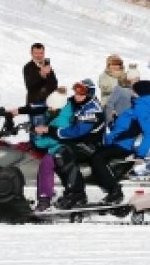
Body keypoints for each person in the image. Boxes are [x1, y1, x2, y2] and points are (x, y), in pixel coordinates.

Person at [46, 79, 107, 208]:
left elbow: (77, 132)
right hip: (78, 142)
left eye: (81, 93)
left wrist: (52, 130)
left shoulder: (93, 109)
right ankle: (69, 189)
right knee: (57, 155)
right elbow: (57, 104)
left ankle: (78, 192)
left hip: (91, 145)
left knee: (64, 154)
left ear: (89, 93)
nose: (77, 96)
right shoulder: (76, 101)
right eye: (76, 92)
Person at [22, 43, 58, 108]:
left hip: (49, 104)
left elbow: (54, 85)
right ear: (31, 53)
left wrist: (49, 74)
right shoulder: (27, 67)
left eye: (41, 53)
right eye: (36, 53)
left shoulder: (47, 65)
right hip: (34, 104)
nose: (38, 55)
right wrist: (40, 75)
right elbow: (29, 86)